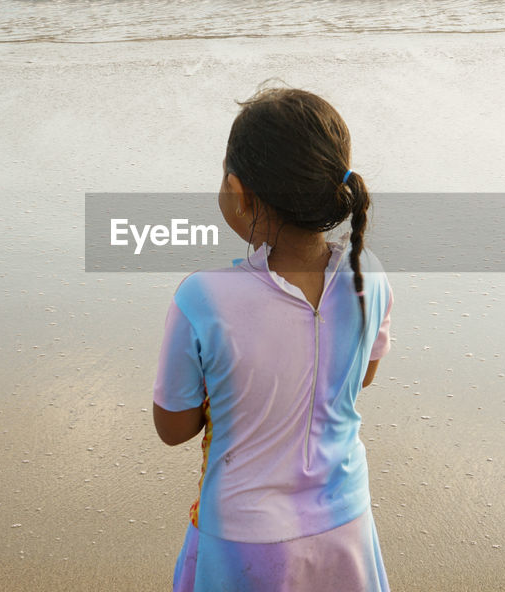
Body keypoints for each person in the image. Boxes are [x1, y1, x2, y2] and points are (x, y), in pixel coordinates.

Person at [152, 87, 393, 591]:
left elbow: (173, 428)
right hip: (347, 522)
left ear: (239, 194)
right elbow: (362, 374)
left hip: (244, 539)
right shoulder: (368, 273)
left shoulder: (203, 298)